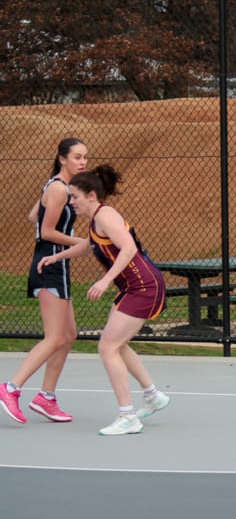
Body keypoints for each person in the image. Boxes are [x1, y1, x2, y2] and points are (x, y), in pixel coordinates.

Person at [36, 165, 172, 436]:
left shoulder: (106, 215)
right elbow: (90, 245)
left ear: (90, 195)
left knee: (107, 347)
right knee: (117, 345)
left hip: (143, 287)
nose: (71, 201)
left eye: (74, 196)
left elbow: (129, 248)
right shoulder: (97, 218)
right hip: (134, 287)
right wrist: (56, 257)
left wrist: (105, 280)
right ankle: (153, 396)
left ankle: (127, 416)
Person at [1, 138, 89, 425]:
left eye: (85, 157)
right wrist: (81, 241)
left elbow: (33, 216)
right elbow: (46, 231)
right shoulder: (57, 188)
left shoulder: (59, 189)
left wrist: (47, 204)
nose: (83, 162)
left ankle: (46, 398)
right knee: (54, 337)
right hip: (48, 265)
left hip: (58, 266)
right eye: (77, 157)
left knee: (69, 334)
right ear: (62, 158)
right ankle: (10, 388)